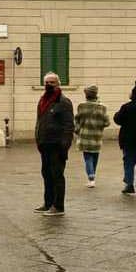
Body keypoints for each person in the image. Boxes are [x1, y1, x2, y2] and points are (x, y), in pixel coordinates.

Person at [34, 72, 75, 216]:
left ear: (58, 84)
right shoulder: (43, 100)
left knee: (57, 175)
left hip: (57, 145)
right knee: (46, 174)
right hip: (45, 144)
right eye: (46, 82)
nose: (48, 85)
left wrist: (65, 145)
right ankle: (48, 203)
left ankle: (58, 206)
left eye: (52, 82)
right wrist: (38, 139)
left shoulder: (63, 102)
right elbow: (39, 122)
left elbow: (69, 125)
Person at [74, 85, 110, 188]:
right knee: (95, 157)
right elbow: (107, 123)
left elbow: (77, 119)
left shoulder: (81, 106)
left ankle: (91, 178)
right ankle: (92, 176)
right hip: (97, 136)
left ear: (86, 94)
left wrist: (77, 130)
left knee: (87, 157)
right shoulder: (102, 107)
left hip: (84, 135)